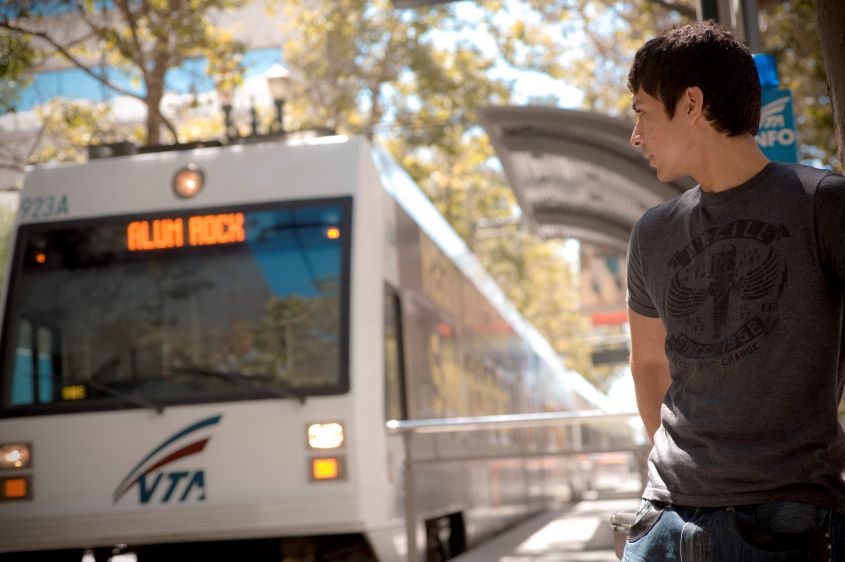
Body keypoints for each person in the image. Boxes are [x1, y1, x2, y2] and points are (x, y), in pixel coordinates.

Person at [623, 20, 845, 561]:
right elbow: (648, 364)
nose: (635, 136)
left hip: (785, 518)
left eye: (642, 113)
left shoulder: (825, 204)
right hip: (664, 519)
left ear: (692, 104)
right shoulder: (652, 231)